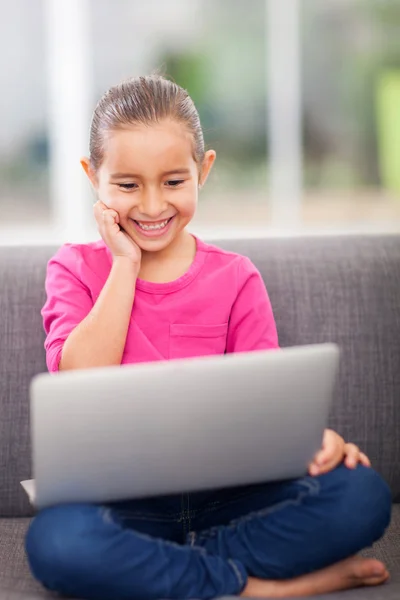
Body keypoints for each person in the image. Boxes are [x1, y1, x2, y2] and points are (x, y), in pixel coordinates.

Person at [26, 75, 391, 600]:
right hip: (126, 505)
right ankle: (256, 586)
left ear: (204, 170)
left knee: (361, 495)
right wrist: (124, 266)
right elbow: (79, 378)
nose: (152, 207)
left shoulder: (237, 278)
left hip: (232, 497)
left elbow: (266, 406)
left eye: (174, 182)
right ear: (93, 178)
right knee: (58, 543)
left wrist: (314, 442)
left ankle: (177, 572)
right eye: (127, 186)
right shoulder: (74, 270)